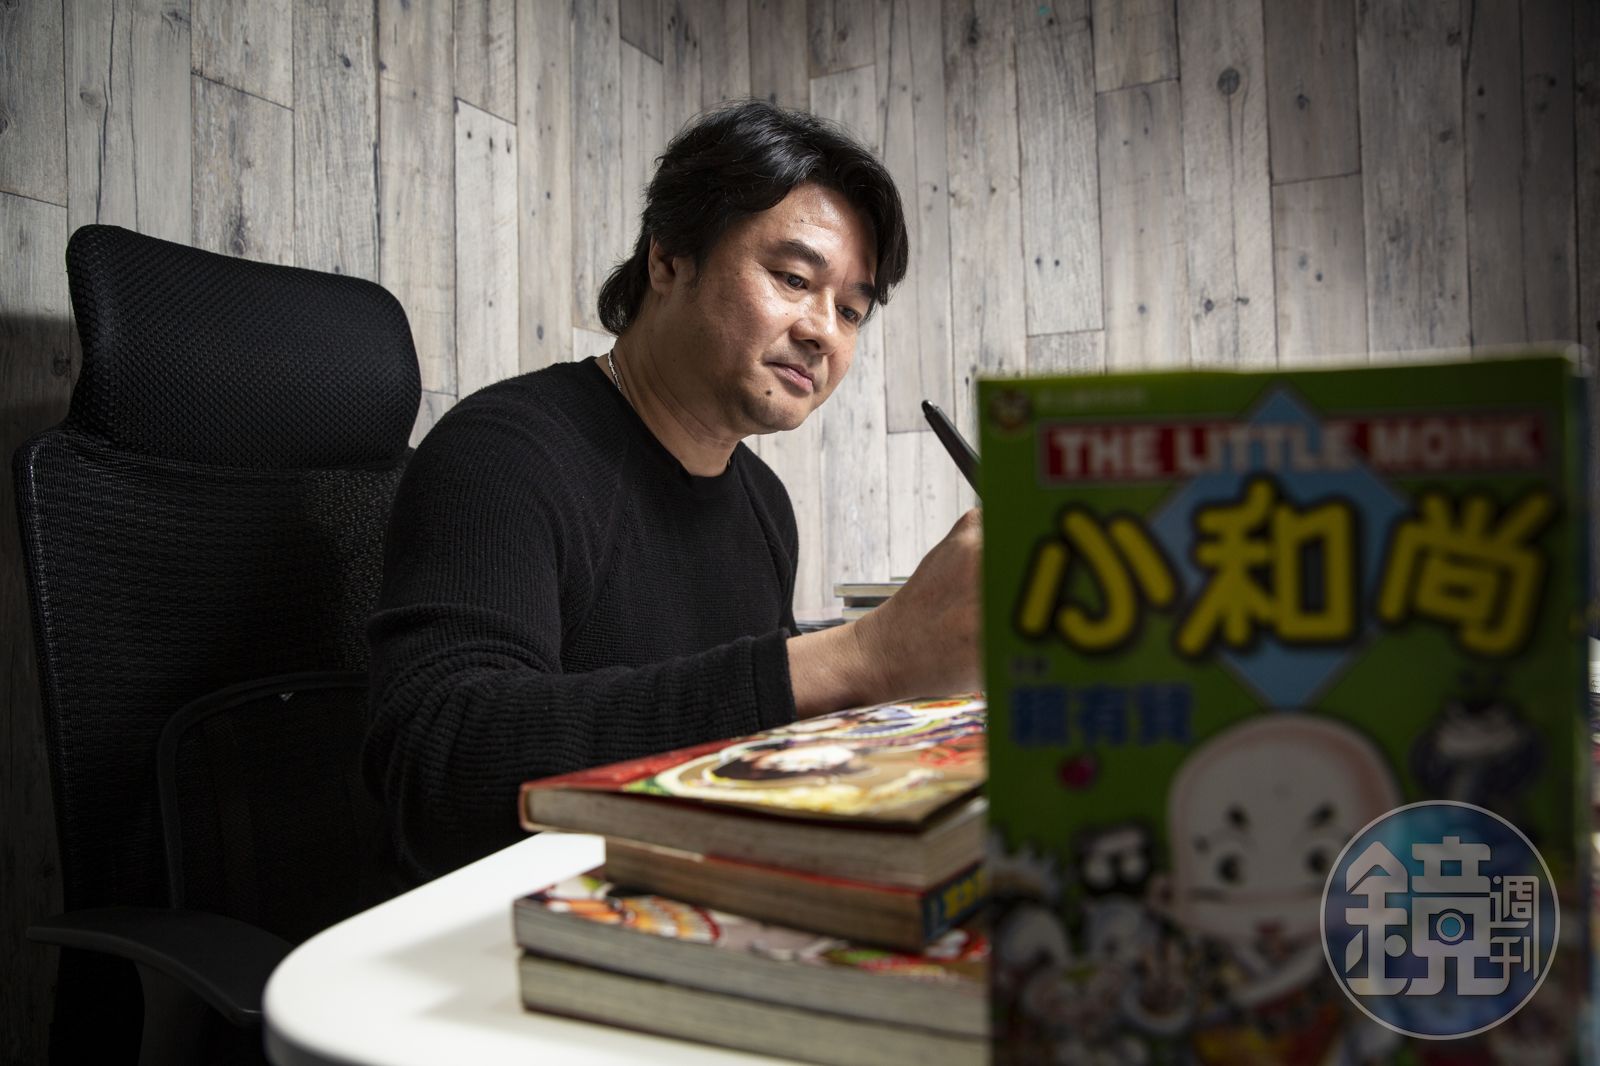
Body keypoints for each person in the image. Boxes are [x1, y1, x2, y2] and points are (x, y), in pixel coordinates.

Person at [364, 100, 982, 879]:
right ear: (668, 259)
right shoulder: (503, 452)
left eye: (851, 310)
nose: (823, 330)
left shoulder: (764, 503)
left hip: (683, 886)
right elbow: (437, 764)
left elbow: (751, 743)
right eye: (794, 278)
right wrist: (865, 654)